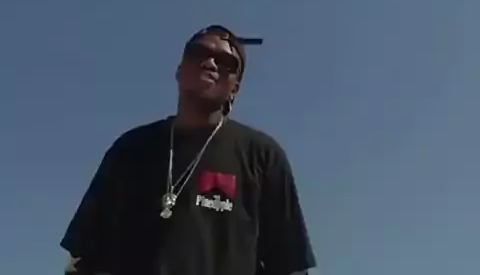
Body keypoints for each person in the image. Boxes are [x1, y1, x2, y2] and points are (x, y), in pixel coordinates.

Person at [61, 25, 316, 275]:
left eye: (226, 62)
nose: (210, 63)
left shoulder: (263, 156)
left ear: (235, 88)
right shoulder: (129, 150)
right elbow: (83, 258)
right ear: (179, 70)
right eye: (198, 52)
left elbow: (289, 266)